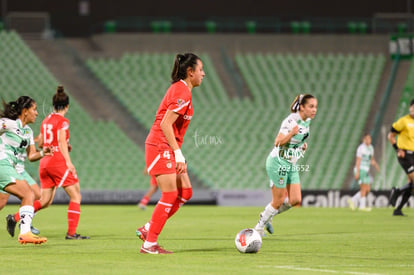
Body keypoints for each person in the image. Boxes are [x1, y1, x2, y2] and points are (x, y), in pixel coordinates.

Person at [136, 53, 205, 254]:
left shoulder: (183, 90)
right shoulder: (182, 92)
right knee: (171, 193)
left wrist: (176, 151)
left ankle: (148, 229)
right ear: (190, 72)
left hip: (167, 145)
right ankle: (149, 244)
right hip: (160, 145)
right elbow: (166, 124)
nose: (203, 74)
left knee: (186, 192)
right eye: (200, 70)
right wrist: (178, 154)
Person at [7, 86, 90, 239]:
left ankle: (15, 217)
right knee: (76, 195)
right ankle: (71, 233)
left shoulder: (46, 121)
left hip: (45, 163)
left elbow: (41, 143)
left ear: (53, 105)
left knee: (45, 201)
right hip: (57, 161)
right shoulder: (63, 121)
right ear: (67, 106)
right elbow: (60, 141)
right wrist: (69, 162)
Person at [254, 94, 317, 237]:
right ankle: (258, 228)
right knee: (278, 200)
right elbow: (278, 141)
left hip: (291, 164)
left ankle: (268, 215)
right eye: (311, 106)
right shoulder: (291, 121)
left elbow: (296, 141)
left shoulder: (306, 122)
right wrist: (291, 134)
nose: (314, 110)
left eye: (315, 107)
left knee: (295, 200)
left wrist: (301, 147)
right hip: (279, 162)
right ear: (302, 107)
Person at [0, 96, 49, 244]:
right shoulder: (8, 124)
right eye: (34, 109)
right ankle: (25, 232)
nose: (37, 113)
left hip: (11, 167)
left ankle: (25, 231)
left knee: (29, 195)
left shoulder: (27, 132)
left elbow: (31, 155)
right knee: (28, 194)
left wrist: (43, 153)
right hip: (3, 164)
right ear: (25, 111)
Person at [388, 99, 414, 216]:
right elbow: (391, 135)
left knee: (412, 186)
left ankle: (398, 209)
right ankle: (397, 192)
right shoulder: (404, 121)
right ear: (410, 108)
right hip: (405, 155)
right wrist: (397, 149)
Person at [347, 134, 380, 212]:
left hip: (366, 170)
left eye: (369, 138)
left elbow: (371, 159)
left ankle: (353, 199)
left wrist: (376, 165)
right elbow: (358, 161)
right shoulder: (361, 148)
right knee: (364, 188)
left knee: (367, 189)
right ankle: (362, 206)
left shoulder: (371, 148)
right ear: (364, 140)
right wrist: (357, 172)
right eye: (367, 139)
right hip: (361, 169)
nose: (368, 140)